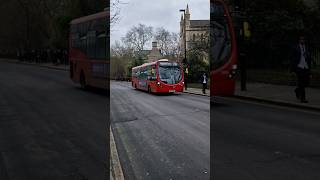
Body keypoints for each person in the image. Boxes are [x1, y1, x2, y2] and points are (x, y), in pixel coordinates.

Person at [290, 35, 312, 103]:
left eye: (303, 39)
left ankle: (297, 90)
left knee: (306, 82)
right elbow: (292, 59)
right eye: (301, 39)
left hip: (306, 67)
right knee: (301, 83)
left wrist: (310, 69)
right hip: (299, 67)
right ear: (299, 40)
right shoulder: (295, 48)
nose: (302, 40)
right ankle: (303, 98)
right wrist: (292, 69)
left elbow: (309, 58)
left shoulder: (307, 48)